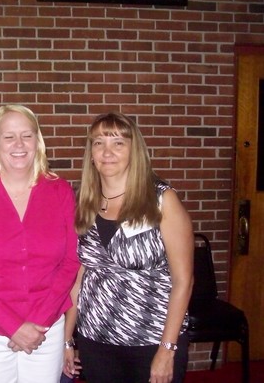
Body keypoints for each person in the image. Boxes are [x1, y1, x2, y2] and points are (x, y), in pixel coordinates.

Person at [63, 112, 194, 383]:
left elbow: (184, 280)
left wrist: (167, 349)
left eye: (118, 143)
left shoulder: (161, 199)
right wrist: (67, 339)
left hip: (152, 339)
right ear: (91, 154)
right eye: (99, 143)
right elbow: (79, 279)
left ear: (135, 151)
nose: (107, 152)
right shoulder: (83, 202)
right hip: (95, 338)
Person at [0, 104, 80, 383]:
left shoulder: (60, 191)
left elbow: (71, 262)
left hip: (45, 327)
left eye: (27, 135)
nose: (19, 144)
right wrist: (12, 326)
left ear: (38, 141)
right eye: (9, 137)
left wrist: (40, 321)